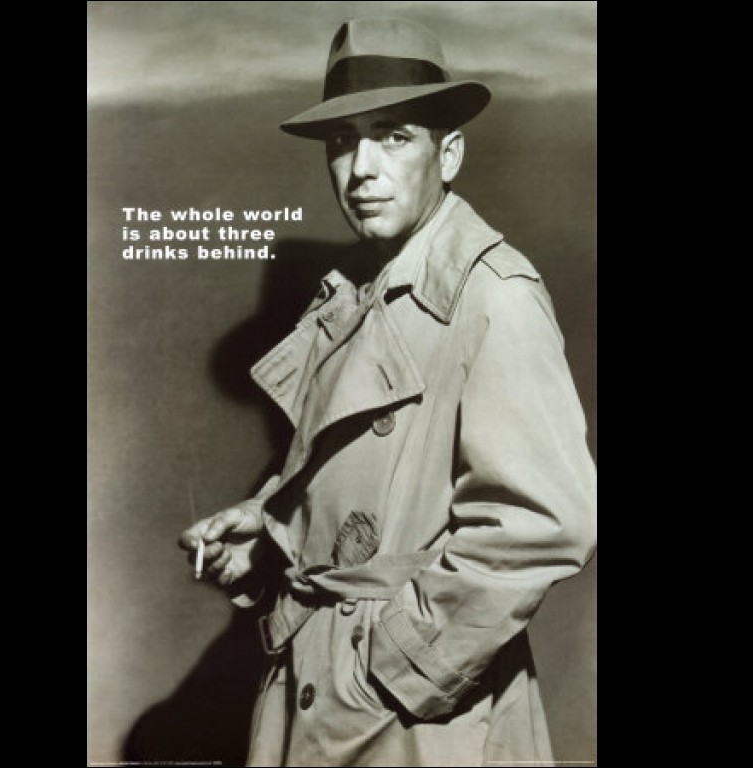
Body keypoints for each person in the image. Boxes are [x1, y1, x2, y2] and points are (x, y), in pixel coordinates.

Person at [179, 17, 596, 767]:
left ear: (449, 152)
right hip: (323, 692)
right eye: (344, 141)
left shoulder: (494, 295)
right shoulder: (367, 290)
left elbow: (544, 521)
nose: (360, 169)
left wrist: (395, 667)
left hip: (415, 724)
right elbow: (364, 483)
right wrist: (272, 531)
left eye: (393, 136)